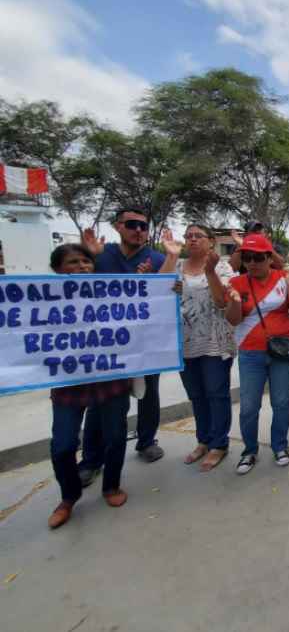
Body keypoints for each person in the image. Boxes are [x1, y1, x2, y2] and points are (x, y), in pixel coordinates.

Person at [78, 207, 180, 486]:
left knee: (149, 394)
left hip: (145, 343)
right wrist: (87, 256)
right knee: (100, 404)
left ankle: (146, 441)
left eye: (143, 227)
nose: (138, 230)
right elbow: (76, 287)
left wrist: (153, 278)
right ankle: (90, 460)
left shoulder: (158, 258)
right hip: (106, 346)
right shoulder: (100, 255)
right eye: (132, 224)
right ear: (118, 227)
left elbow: (169, 294)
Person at [46, 244, 132, 529]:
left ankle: (111, 486)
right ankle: (68, 496)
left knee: (116, 437)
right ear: (57, 269)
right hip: (69, 384)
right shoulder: (42, 301)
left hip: (110, 380)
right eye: (73, 262)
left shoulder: (110, 293)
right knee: (63, 445)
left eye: (86, 261)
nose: (82, 267)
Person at [225, 233, 289, 475]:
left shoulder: (284, 277)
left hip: (282, 351)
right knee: (249, 406)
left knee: (281, 402)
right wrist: (236, 302)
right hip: (250, 354)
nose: (251, 262)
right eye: (246, 257)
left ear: (269, 258)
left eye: (258, 257)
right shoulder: (237, 283)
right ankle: (249, 451)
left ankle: (279, 446)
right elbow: (232, 320)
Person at [177, 224, 236, 471]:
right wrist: (169, 258)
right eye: (188, 236)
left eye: (198, 236)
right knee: (197, 395)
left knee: (216, 393)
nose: (192, 240)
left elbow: (223, 301)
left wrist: (210, 272)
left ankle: (219, 444)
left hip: (215, 341)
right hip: (184, 343)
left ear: (210, 242)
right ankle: (203, 440)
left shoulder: (222, 267)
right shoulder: (178, 266)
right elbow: (157, 292)